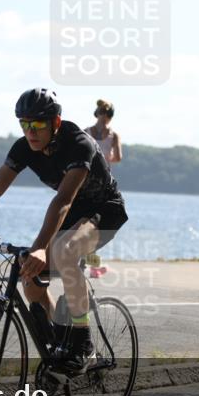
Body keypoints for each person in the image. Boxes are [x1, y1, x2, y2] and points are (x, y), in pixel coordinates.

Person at [0, 88, 128, 373]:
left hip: (106, 210)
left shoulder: (79, 144)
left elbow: (63, 200)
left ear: (55, 122)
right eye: (24, 124)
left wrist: (40, 246)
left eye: (37, 124)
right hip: (72, 213)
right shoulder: (24, 147)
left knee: (65, 252)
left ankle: (83, 344)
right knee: (29, 277)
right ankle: (57, 350)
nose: (30, 132)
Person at [84, 99, 123, 277]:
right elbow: (117, 158)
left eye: (104, 116)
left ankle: (91, 265)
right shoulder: (96, 133)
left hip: (96, 182)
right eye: (104, 115)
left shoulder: (107, 135)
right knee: (89, 224)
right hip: (94, 182)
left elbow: (118, 158)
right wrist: (107, 157)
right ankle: (90, 265)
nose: (104, 119)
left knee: (91, 224)